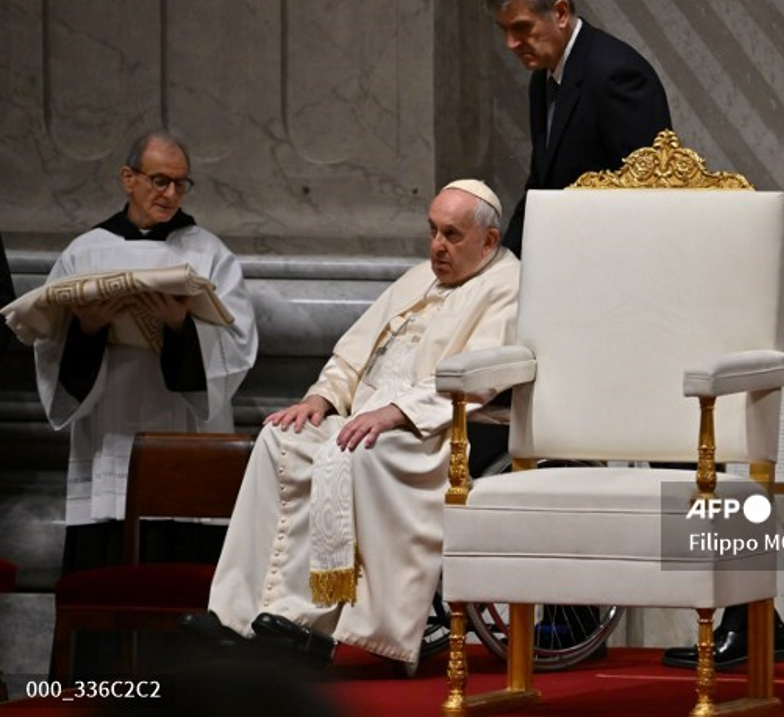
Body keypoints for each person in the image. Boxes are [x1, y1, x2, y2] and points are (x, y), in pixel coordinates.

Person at [195, 180, 520, 670]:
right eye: (432, 231)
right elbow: (352, 351)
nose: (437, 246)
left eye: (451, 235)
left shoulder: (507, 285)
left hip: (434, 430)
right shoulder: (418, 278)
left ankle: (329, 627)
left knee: (358, 451)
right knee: (280, 440)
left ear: (488, 241)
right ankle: (239, 613)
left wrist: (397, 413)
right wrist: (321, 398)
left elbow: (482, 372)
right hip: (365, 419)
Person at [32, 130, 258, 556]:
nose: (172, 193)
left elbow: (237, 345)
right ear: (128, 178)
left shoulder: (209, 253)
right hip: (108, 432)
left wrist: (179, 328)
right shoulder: (85, 253)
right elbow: (51, 345)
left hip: (184, 432)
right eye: (160, 180)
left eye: (181, 183)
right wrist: (89, 330)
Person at [486, 0, 672, 257]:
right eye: (504, 30)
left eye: (521, 27)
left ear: (560, 13)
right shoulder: (543, 74)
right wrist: (504, 264)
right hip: (568, 259)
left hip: (611, 264)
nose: (510, 43)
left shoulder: (618, 74)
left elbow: (648, 194)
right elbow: (541, 185)